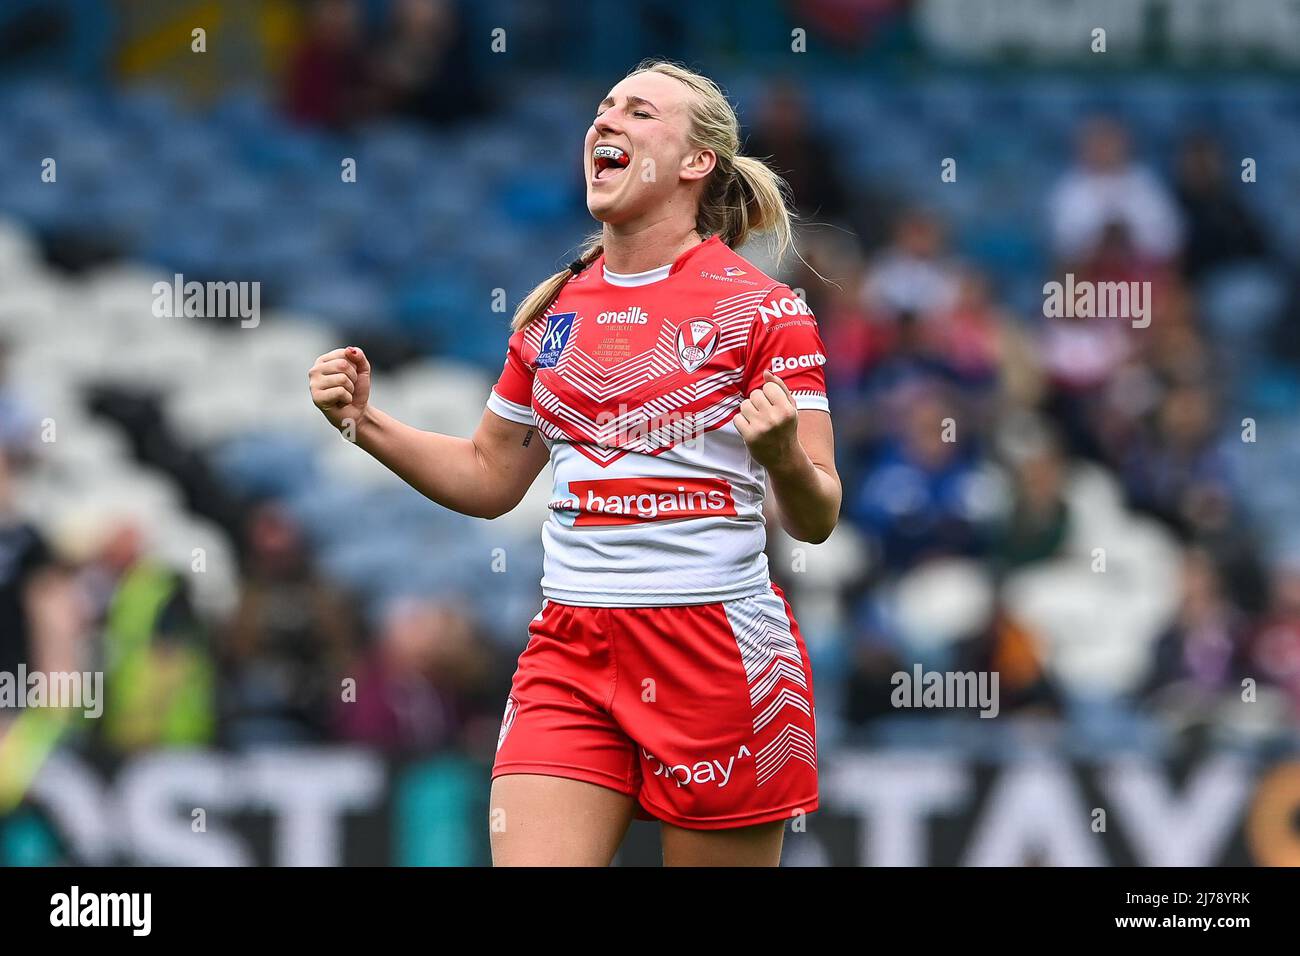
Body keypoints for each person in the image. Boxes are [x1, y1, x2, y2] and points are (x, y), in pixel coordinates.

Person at [308, 60, 841, 866]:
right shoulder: (555, 309)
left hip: (717, 655)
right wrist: (364, 423)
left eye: (639, 112)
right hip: (572, 650)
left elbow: (819, 513)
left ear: (698, 162)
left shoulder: (764, 310)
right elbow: (490, 477)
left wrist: (781, 462)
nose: (606, 122)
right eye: (602, 108)